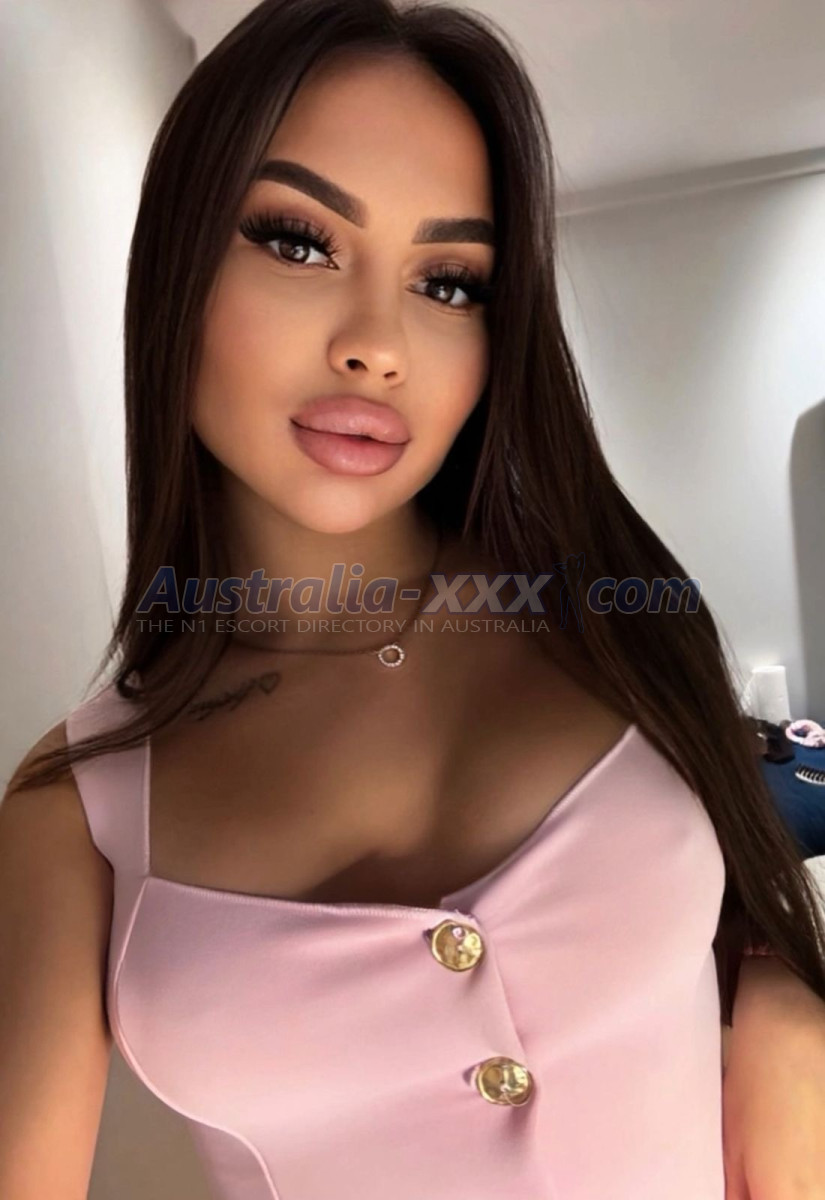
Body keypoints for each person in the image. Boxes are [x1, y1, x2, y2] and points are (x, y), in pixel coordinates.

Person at [2, 1, 825, 1197]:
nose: (377, 345)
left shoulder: (617, 619)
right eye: (299, 242)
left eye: (448, 282)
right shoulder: (73, 813)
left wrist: (781, 990)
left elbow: (740, 874)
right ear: (177, 263)